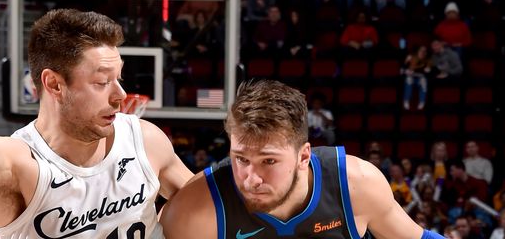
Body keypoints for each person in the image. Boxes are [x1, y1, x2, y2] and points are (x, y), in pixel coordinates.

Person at [0, 9, 193, 238]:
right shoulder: (21, 163)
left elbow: (209, 204)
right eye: (101, 82)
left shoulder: (144, 140)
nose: (120, 95)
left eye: (118, 78)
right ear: (54, 84)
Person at [160, 80, 446, 239]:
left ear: (303, 156)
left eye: (268, 161)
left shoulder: (356, 183)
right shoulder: (196, 209)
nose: (251, 178)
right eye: (241, 159)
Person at [403, 45, 431, 110]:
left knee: (423, 81)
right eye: (421, 50)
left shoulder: (428, 60)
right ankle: (406, 100)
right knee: (408, 79)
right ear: (418, 51)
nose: (422, 52)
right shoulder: (411, 57)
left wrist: (427, 70)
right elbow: (403, 69)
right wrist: (406, 70)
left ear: (426, 53)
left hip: (420, 79)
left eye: (424, 51)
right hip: (411, 77)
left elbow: (428, 71)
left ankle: (422, 101)